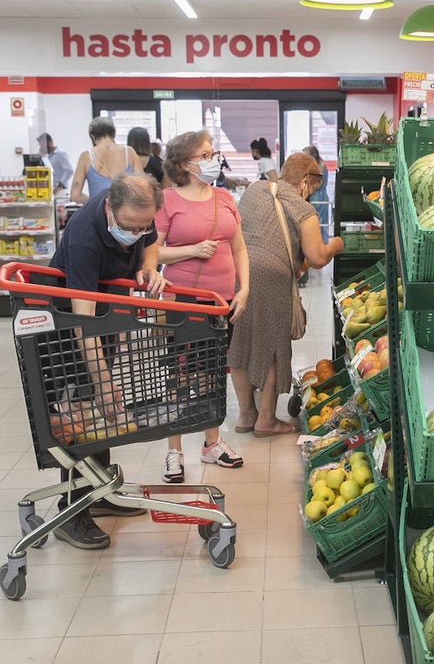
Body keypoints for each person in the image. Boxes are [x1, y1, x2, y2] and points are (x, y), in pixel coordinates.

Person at [47, 173, 169, 549]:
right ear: (109, 208)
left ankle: (98, 492)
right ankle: (71, 512)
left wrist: (148, 265)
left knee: (96, 414)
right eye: (128, 226)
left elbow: (151, 241)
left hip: (103, 315)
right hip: (66, 325)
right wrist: (102, 382)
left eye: (142, 225)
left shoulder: (138, 212)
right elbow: (82, 321)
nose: (135, 233)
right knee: (79, 412)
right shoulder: (85, 237)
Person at [155, 131, 250, 480]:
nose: (213, 160)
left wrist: (244, 289)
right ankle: (174, 452)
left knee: (212, 374)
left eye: (213, 153)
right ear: (183, 164)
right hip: (181, 301)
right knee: (179, 376)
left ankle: (212, 443)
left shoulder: (224, 197)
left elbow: (239, 248)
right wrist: (191, 251)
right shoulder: (167, 201)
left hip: (221, 302)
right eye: (205, 155)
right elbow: (152, 253)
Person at [229, 153, 343, 436]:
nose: (311, 194)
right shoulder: (303, 209)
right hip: (273, 277)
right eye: (312, 188)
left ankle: (246, 415)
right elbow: (317, 257)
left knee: (241, 341)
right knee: (273, 346)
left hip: (240, 272)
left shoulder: (254, 190)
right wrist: (335, 245)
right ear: (305, 180)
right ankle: (266, 420)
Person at [70, 117, 139, 204]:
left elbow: (75, 195)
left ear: (93, 137)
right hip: (126, 208)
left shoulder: (86, 156)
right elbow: (143, 187)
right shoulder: (129, 152)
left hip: (98, 210)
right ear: (114, 134)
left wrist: (93, 201)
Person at [303, 145, 331, 242]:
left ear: (313, 156)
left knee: (319, 225)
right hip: (319, 198)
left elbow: (316, 185)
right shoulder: (319, 165)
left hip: (318, 199)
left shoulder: (319, 168)